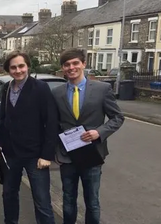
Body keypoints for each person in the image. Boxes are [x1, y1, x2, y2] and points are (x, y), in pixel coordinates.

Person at [53, 48, 124, 224]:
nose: (71, 67)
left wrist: (98, 132)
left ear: (84, 64)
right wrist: (55, 151)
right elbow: (52, 124)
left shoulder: (102, 89)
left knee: (92, 202)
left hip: (92, 154)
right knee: (68, 200)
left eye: (75, 63)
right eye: (67, 64)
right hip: (67, 155)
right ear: (63, 68)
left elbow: (117, 118)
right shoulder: (56, 93)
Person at [0, 51, 58, 224]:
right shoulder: (6, 88)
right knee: (8, 195)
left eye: (21, 66)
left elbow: (51, 122)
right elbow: (3, 118)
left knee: (42, 200)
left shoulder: (40, 88)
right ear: (8, 70)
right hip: (10, 154)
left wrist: (46, 155)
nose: (18, 70)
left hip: (35, 155)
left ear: (28, 66)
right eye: (13, 67)